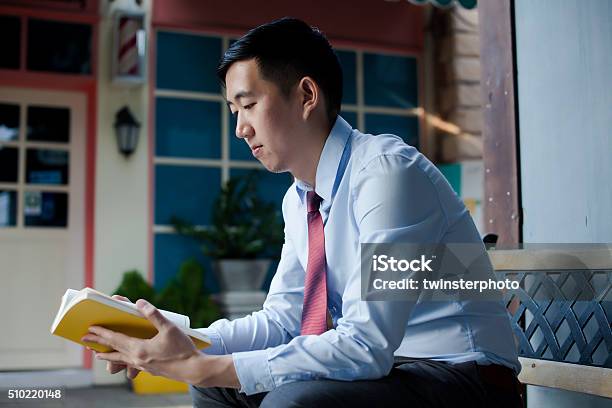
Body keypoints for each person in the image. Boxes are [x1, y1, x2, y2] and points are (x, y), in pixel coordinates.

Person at [83, 17, 523, 407]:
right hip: (395, 371)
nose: (240, 128)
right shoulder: (300, 200)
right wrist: (176, 339)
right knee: (218, 387)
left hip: (464, 375)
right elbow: (283, 319)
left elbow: (366, 346)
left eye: (249, 104)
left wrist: (199, 366)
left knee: (291, 400)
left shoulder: (388, 173)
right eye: (234, 111)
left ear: (307, 94)